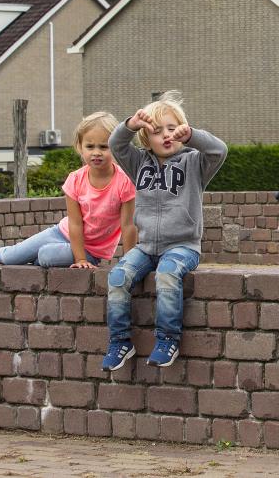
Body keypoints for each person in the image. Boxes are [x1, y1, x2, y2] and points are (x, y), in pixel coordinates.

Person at [101, 91, 227, 372]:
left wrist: (192, 135)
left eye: (172, 129)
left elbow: (219, 150)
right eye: (157, 132)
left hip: (183, 246)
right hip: (146, 246)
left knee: (167, 275)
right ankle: (120, 341)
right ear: (147, 139)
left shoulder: (194, 162)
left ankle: (167, 339)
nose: (166, 136)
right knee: (118, 276)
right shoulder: (139, 163)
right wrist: (130, 125)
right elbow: (115, 144)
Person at [0, 112, 135, 268]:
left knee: (45, 256)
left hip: (90, 251)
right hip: (61, 233)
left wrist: (128, 263)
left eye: (103, 147)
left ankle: (39, 257)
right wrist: (78, 260)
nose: (96, 152)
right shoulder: (75, 179)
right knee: (12, 257)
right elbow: (75, 223)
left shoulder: (124, 182)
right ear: (80, 147)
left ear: (116, 147)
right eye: (90, 147)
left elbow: (128, 226)